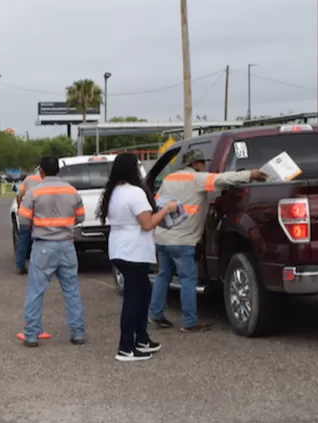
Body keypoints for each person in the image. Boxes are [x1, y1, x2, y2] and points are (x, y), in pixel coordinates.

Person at [149, 149, 266, 332]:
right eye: (203, 163)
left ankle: (155, 315)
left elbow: (158, 201)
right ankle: (189, 322)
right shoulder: (197, 179)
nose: (204, 166)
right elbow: (224, 179)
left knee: (163, 276)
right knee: (188, 279)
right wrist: (251, 174)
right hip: (183, 240)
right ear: (195, 164)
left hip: (163, 237)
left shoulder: (169, 179)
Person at [98, 154, 179, 362]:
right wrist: (167, 210)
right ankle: (125, 347)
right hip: (134, 250)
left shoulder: (112, 192)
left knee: (144, 292)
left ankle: (141, 339)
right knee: (134, 299)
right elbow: (147, 223)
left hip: (119, 248)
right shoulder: (135, 193)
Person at [19, 155, 86, 347]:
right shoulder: (71, 191)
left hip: (43, 246)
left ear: (41, 171)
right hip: (66, 245)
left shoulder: (34, 192)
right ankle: (78, 333)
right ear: (59, 170)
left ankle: (31, 334)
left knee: (35, 292)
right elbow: (81, 217)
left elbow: (23, 221)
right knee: (72, 291)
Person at [15, 172, 44, 274]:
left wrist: (19, 207)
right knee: (40, 240)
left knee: (23, 240)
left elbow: (18, 195)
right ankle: (39, 265)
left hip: (25, 214)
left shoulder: (28, 179)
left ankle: (20, 266)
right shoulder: (47, 180)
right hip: (39, 214)